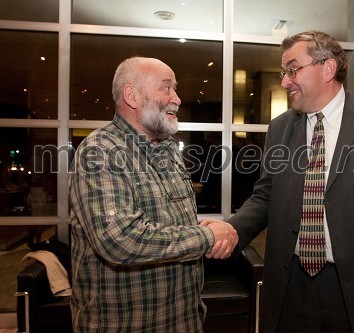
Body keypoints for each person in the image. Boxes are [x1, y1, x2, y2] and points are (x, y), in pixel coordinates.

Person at [204, 31, 354, 332]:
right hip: (292, 288)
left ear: (327, 68)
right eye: (283, 73)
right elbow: (264, 197)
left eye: (292, 70)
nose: (285, 81)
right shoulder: (280, 128)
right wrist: (232, 230)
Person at [69, 56, 238, 332]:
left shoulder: (168, 148)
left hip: (184, 320)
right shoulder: (100, 151)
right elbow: (121, 239)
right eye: (167, 88)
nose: (178, 99)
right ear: (131, 96)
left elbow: (165, 223)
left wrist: (205, 228)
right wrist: (206, 237)